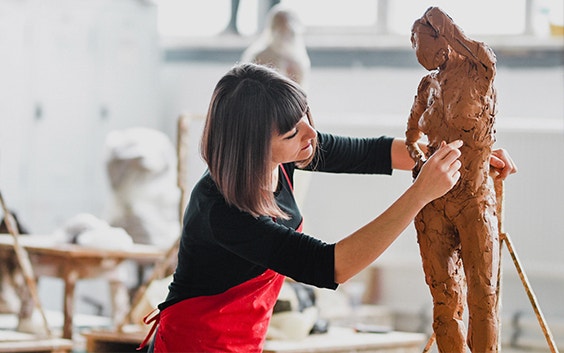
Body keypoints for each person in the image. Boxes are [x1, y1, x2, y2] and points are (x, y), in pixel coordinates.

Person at [142, 63, 516, 353]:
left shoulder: (284, 157)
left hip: (243, 338)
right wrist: (421, 193)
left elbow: (374, 152)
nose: (310, 134)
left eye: (306, 114)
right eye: (292, 133)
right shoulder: (222, 212)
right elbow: (330, 265)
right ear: (253, 146)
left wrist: (468, 158)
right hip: (195, 341)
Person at [405, 7, 517, 353]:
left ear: (442, 38)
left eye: (422, 44)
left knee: (482, 297)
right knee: (444, 301)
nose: (420, 55)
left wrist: (436, 17)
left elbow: (463, 39)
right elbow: (411, 136)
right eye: (415, 48)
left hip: (473, 198)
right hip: (434, 203)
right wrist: (420, 161)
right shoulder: (428, 85)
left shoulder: (480, 67)